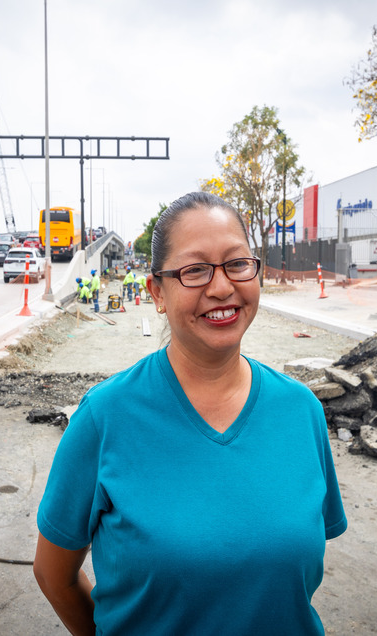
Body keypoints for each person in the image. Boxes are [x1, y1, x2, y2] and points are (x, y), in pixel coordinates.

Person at [34, 191, 347, 635]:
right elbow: (53, 574)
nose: (221, 288)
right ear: (157, 293)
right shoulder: (105, 417)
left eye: (237, 263)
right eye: (194, 270)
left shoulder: (302, 412)